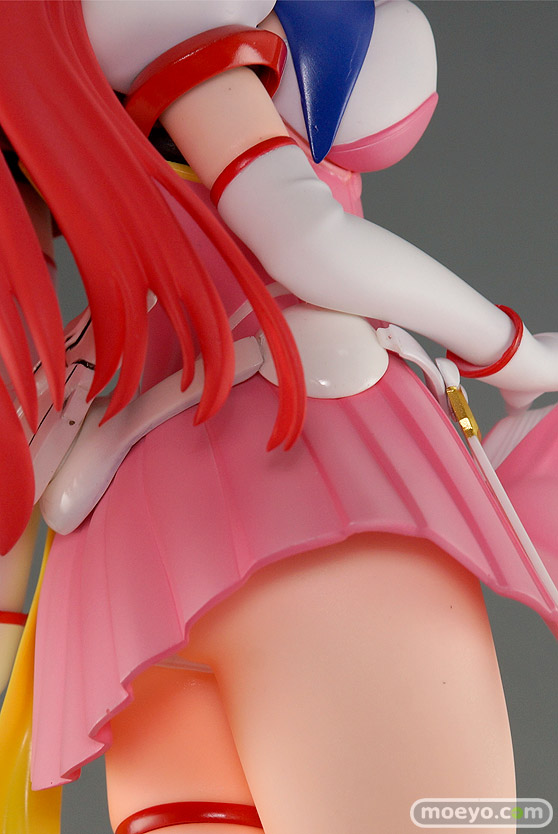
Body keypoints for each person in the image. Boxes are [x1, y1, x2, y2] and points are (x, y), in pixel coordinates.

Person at [0, 2, 557, 833]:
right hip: (300, 457)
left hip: (129, 555)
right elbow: (308, 241)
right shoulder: (170, 19)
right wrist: (512, 351)